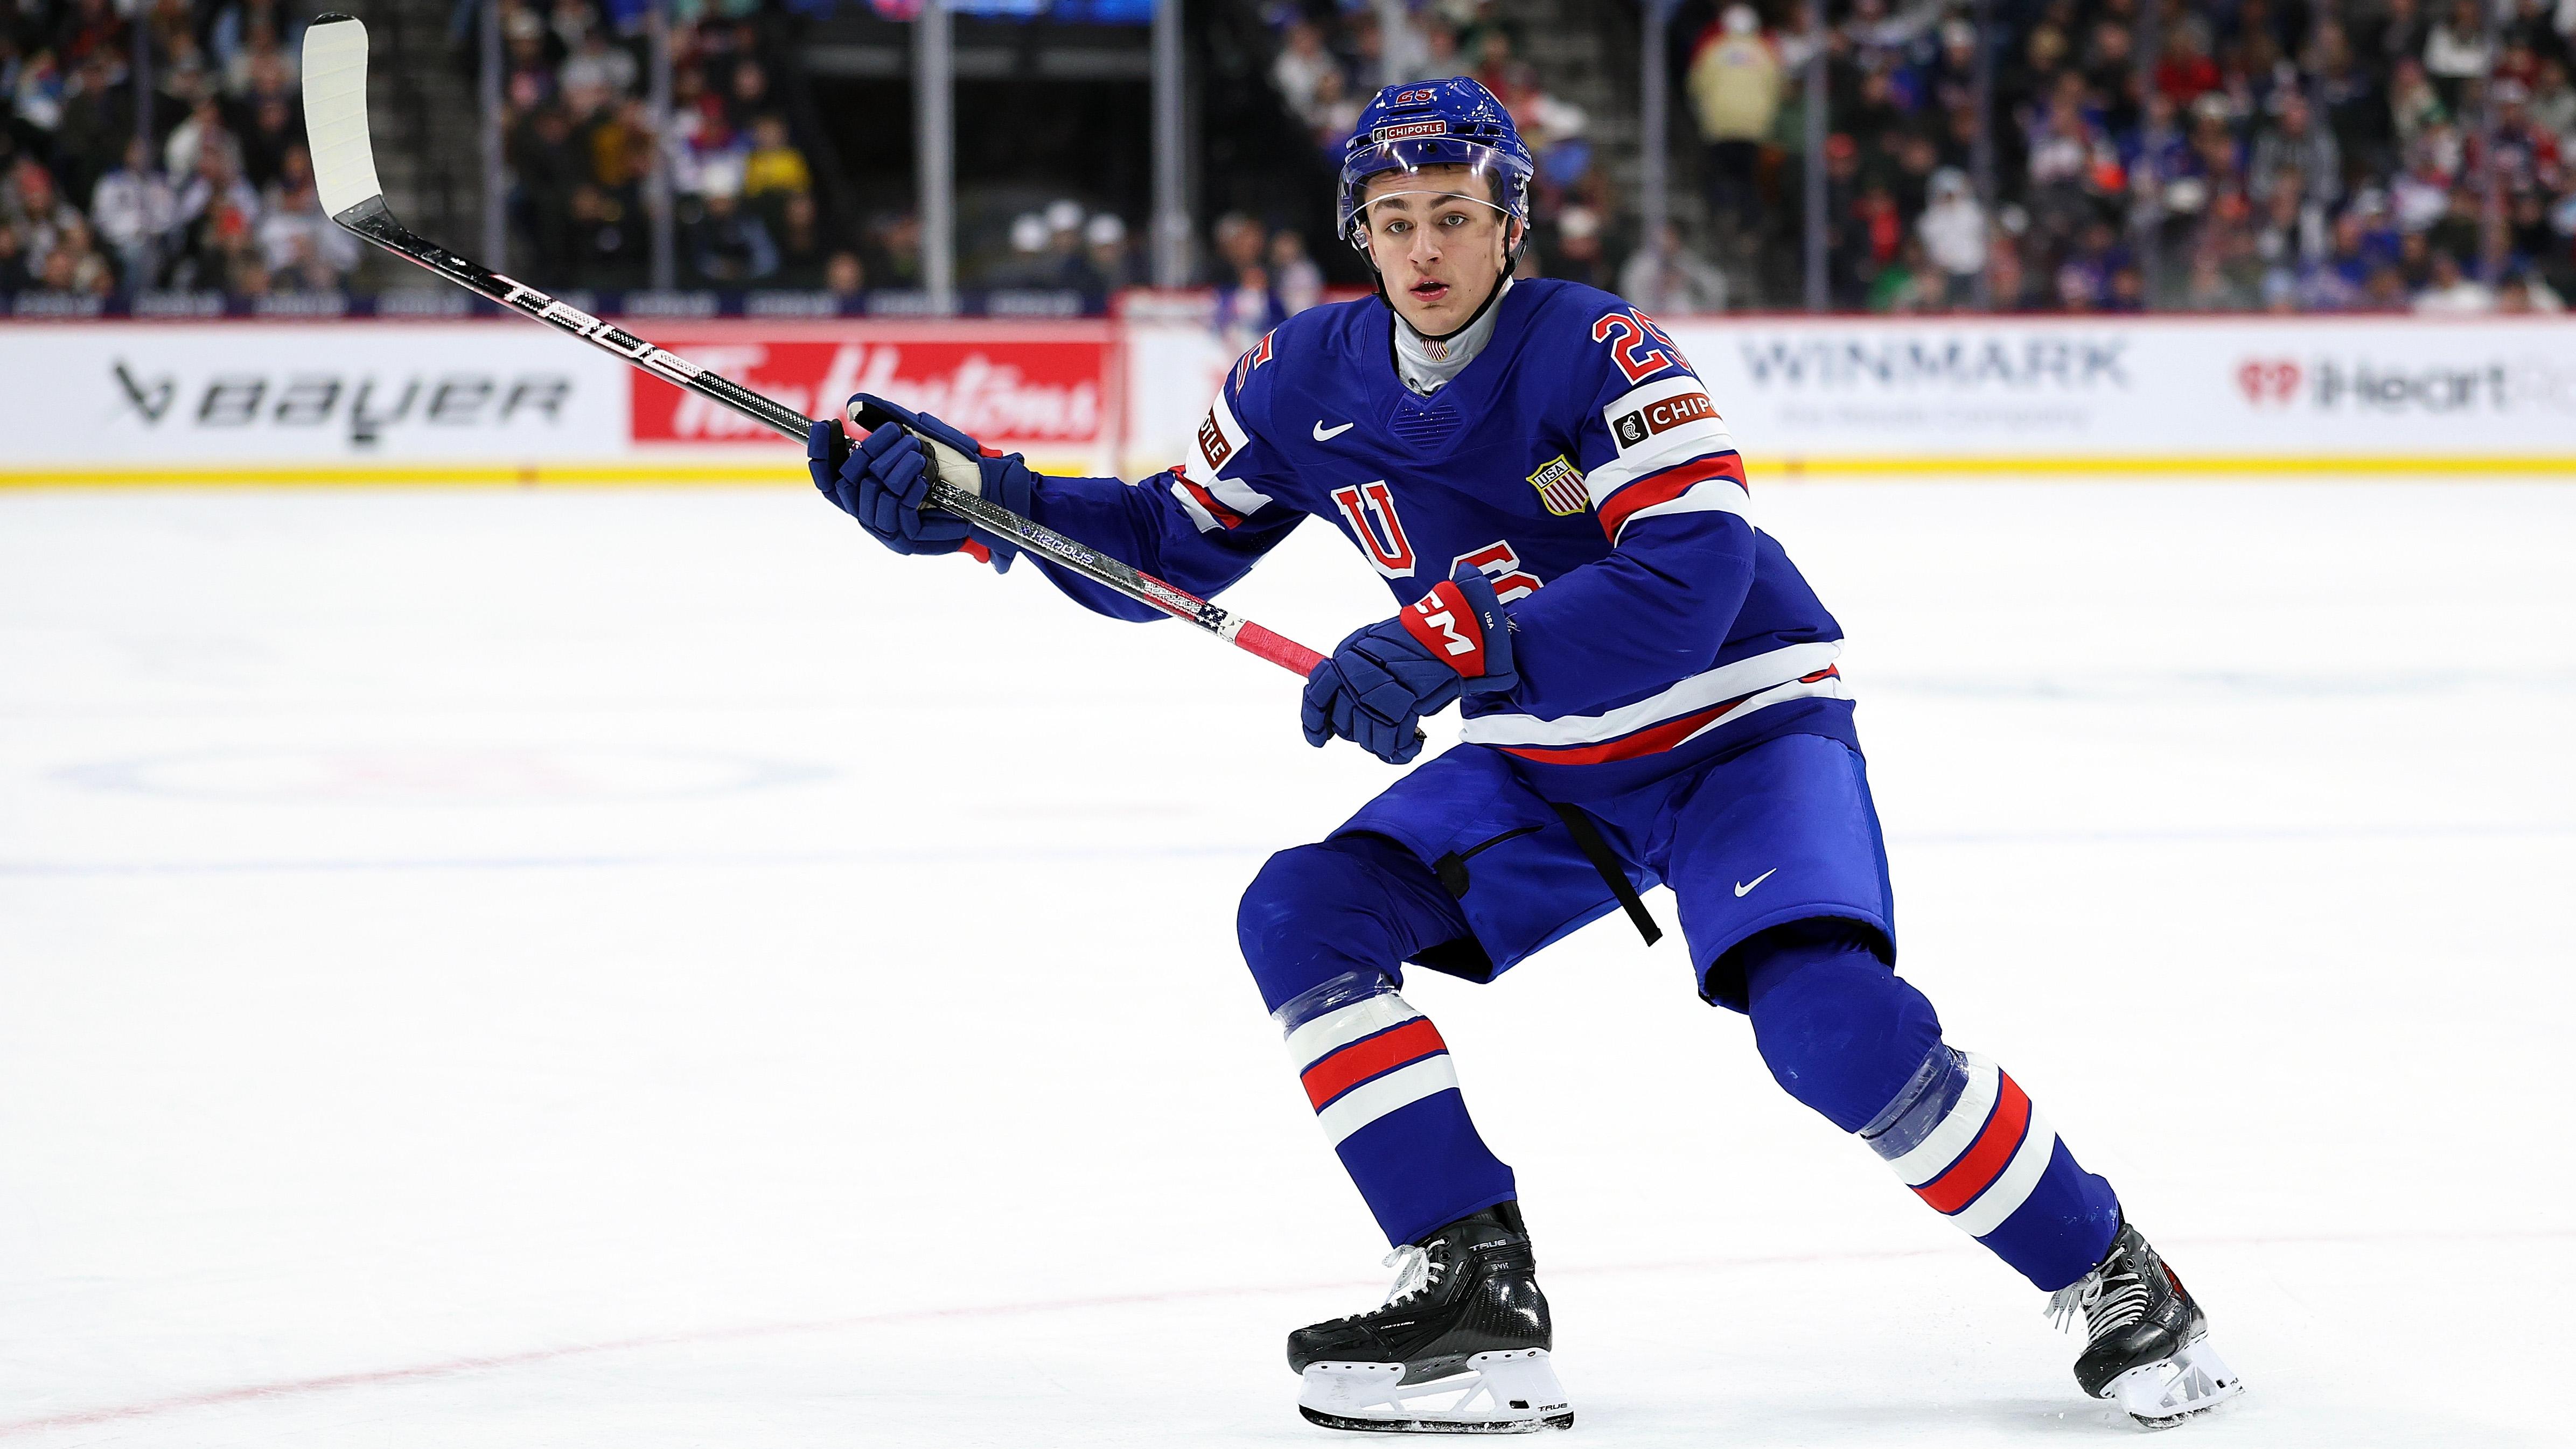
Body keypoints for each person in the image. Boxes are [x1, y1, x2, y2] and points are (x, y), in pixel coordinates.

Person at [804, 76, 2244, 1436]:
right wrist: (981, 499)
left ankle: (2117, 1276)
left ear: (1510, 220)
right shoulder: (1299, 374)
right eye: (1394, 218)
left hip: (1739, 727)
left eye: (1453, 215)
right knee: (1304, 909)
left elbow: (1693, 569)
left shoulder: (1601, 347)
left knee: (1830, 1028)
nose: (1423, 249)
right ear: (1357, 228)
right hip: (1551, 767)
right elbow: (1164, 544)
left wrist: (1451, 641)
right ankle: (1473, 1294)